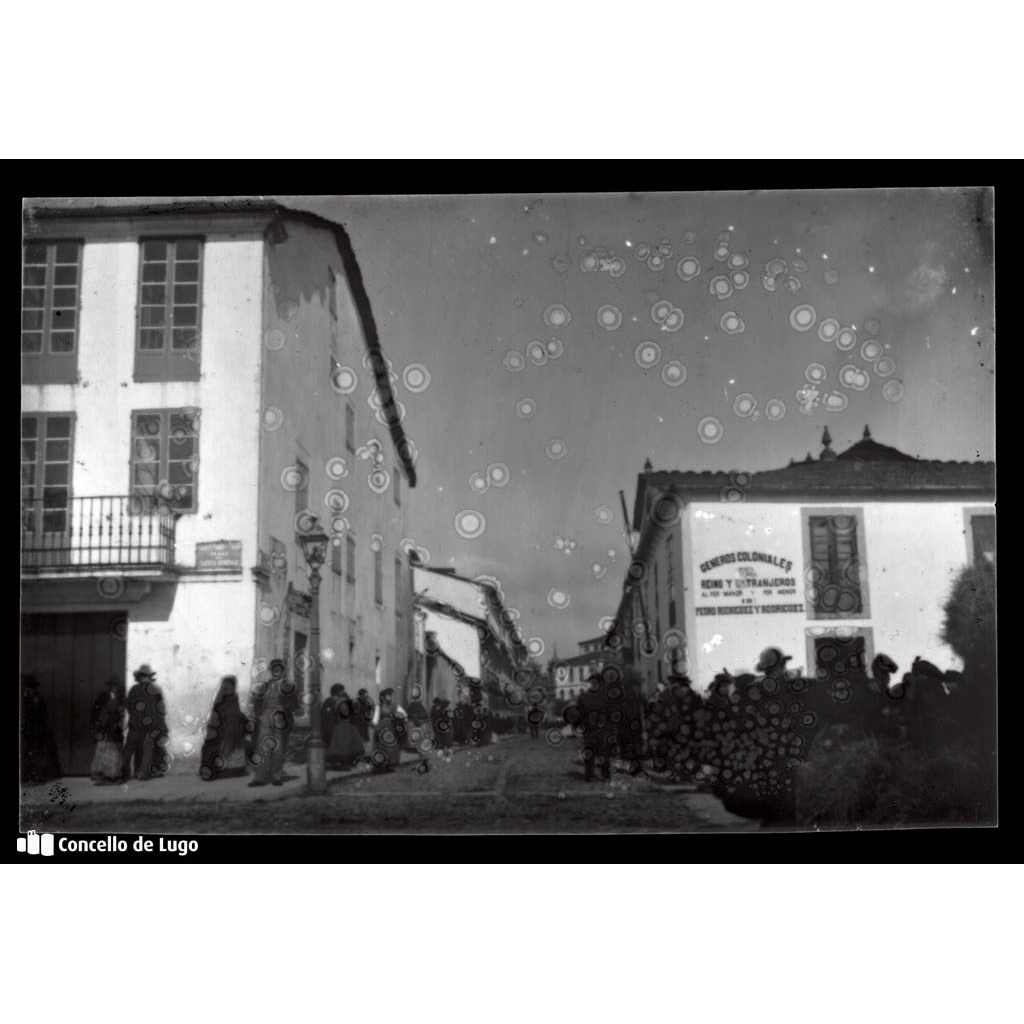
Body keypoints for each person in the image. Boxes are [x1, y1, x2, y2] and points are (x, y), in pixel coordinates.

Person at [248, 659, 298, 787]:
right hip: (265, 718)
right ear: (271, 671)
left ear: (282, 671)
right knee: (262, 746)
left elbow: (294, 704)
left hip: (280, 719)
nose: (276, 672)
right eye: (274, 670)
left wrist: (284, 708)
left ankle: (277, 776)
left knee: (278, 748)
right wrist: (258, 714)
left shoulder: (289, 686)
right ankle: (260, 778)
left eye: (279, 670)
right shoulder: (265, 685)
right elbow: (257, 701)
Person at [199, 675, 250, 781]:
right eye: (226, 686)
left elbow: (236, 712)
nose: (228, 689)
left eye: (230, 686)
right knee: (219, 749)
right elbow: (216, 714)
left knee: (236, 749)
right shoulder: (220, 700)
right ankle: (219, 770)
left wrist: (242, 720)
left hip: (234, 730)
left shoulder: (234, 697)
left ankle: (237, 770)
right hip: (222, 731)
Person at [123, 664, 168, 781]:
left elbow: (128, 706)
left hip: (134, 725)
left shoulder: (134, 689)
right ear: (149, 676)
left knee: (129, 749)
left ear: (139, 676)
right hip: (150, 725)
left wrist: (136, 716)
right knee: (146, 749)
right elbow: (161, 708)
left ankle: (123, 774)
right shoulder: (156, 689)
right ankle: (142, 773)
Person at [21, 674, 62, 782]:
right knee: (29, 753)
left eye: (26, 687)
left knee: (35, 753)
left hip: (36, 731)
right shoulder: (29, 697)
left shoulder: (36, 698)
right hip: (31, 730)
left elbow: (35, 715)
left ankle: (35, 775)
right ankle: (29, 774)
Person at [577, 673, 613, 782]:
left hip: (602, 730)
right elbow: (579, 713)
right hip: (590, 730)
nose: (593, 685)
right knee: (590, 754)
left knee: (603, 754)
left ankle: (605, 775)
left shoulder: (606, 697)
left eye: (595, 683)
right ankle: (590, 775)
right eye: (592, 683)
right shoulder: (583, 697)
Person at [90, 677, 126, 784]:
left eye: (117, 686)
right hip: (107, 726)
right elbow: (98, 711)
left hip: (113, 726)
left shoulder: (118, 697)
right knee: (108, 749)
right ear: (111, 687)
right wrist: (99, 723)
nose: (116, 688)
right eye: (114, 686)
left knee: (111, 749)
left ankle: (110, 774)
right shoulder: (104, 696)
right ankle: (106, 775)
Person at [325, 685, 366, 768]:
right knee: (344, 743)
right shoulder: (340, 702)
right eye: (341, 690)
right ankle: (344, 761)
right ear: (337, 692)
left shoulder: (341, 701)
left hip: (345, 724)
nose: (343, 692)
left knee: (347, 743)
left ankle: (346, 761)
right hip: (342, 725)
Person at [372, 687, 407, 771]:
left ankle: (389, 764)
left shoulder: (394, 706)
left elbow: (404, 715)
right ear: (383, 697)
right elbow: (375, 719)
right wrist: (376, 726)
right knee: (381, 747)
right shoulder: (378, 707)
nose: (389, 697)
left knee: (390, 747)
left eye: (390, 696)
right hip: (381, 728)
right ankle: (381, 765)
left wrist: (400, 719)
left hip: (391, 728)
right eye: (388, 696)